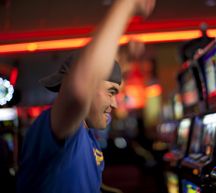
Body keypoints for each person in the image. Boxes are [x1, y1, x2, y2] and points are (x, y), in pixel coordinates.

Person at [16, 0, 156, 193]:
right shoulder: (57, 127)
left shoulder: (88, 134)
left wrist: (127, 60)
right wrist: (126, 5)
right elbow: (82, 89)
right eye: (111, 93)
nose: (115, 104)